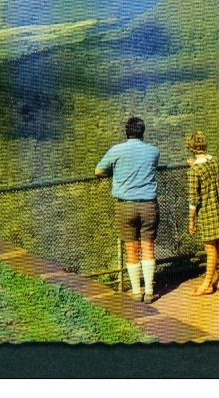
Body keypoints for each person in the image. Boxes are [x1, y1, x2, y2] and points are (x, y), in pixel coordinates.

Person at [95, 116, 161, 303]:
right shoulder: (153, 152)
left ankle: (135, 292)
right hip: (148, 204)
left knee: (131, 249)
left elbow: (99, 171)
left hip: (125, 205)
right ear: (142, 132)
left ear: (126, 132)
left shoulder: (116, 150)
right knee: (148, 247)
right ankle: (149, 291)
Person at [186, 131, 219, 296]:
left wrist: (191, 221)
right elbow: (206, 163)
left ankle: (207, 285)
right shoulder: (215, 162)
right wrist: (195, 164)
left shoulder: (194, 172)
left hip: (206, 212)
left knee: (211, 250)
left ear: (190, 148)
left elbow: (193, 200)